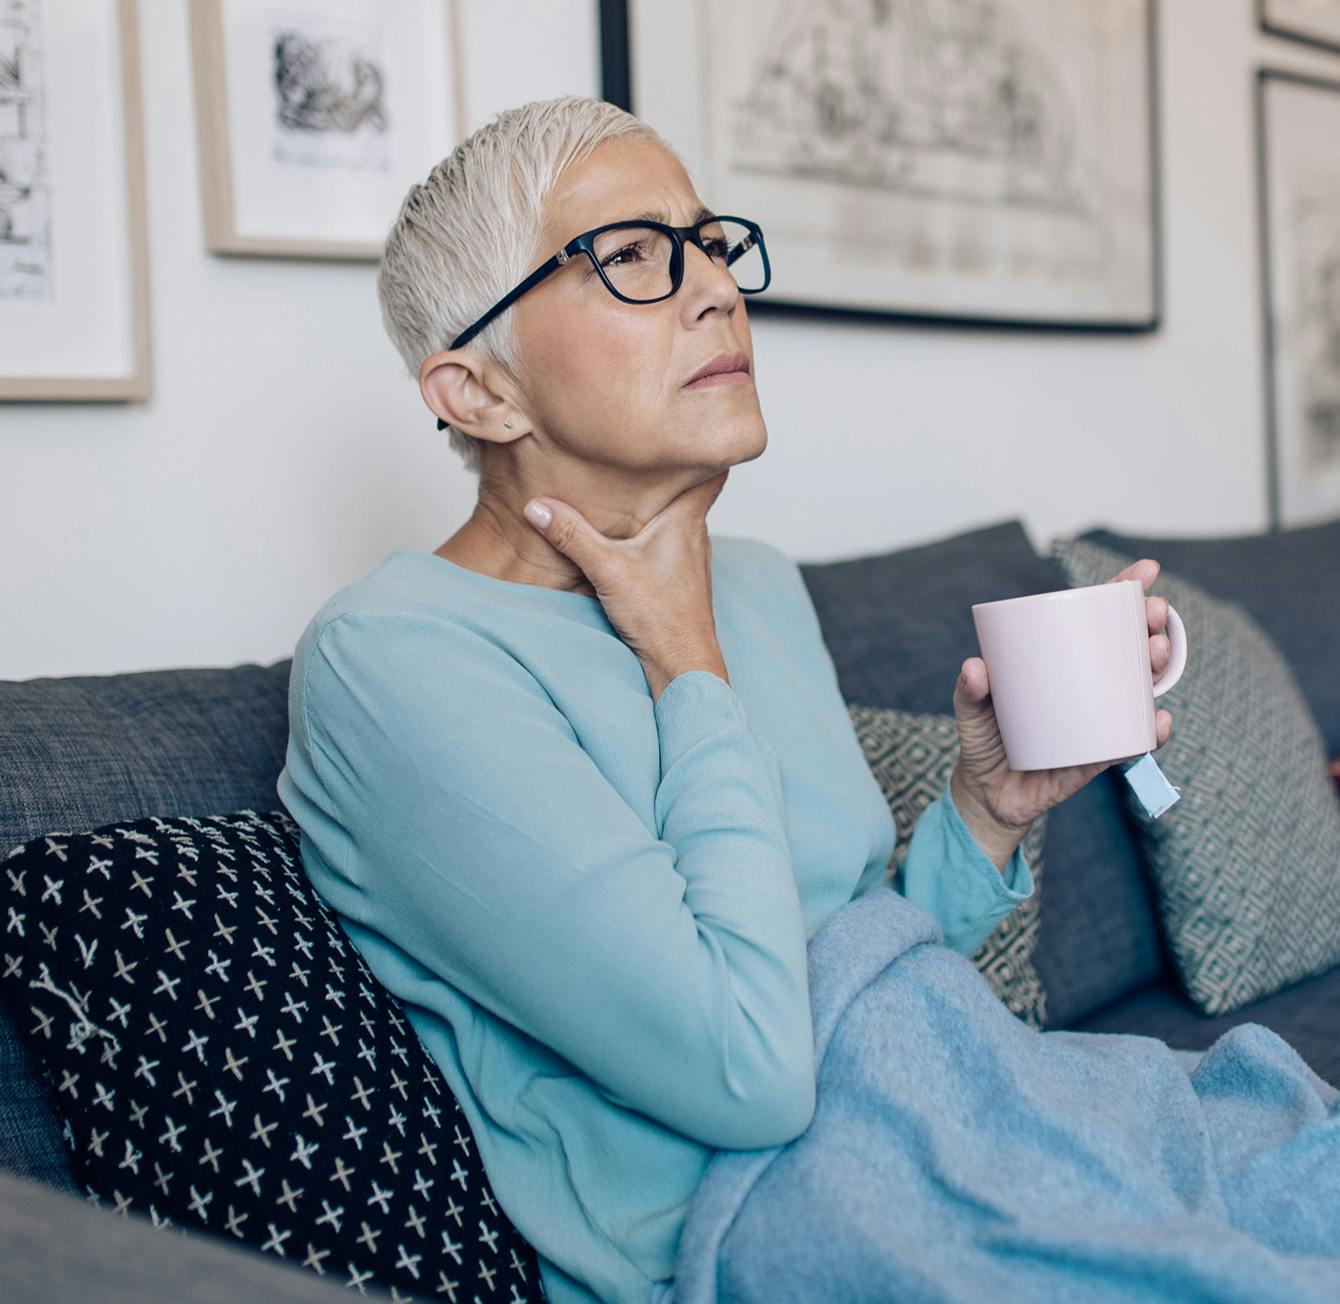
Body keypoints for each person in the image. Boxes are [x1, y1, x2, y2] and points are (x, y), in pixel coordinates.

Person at [276, 94, 1176, 1304]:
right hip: (750, 1240)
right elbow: (750, 1074)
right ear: (479, 393)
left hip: (958, 1130)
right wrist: (683, 661)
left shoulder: (748, 581)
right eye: (632, 258)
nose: (713, 288)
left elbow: (857, 991)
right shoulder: (394, 664)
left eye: (709, 243)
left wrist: (988, 809)